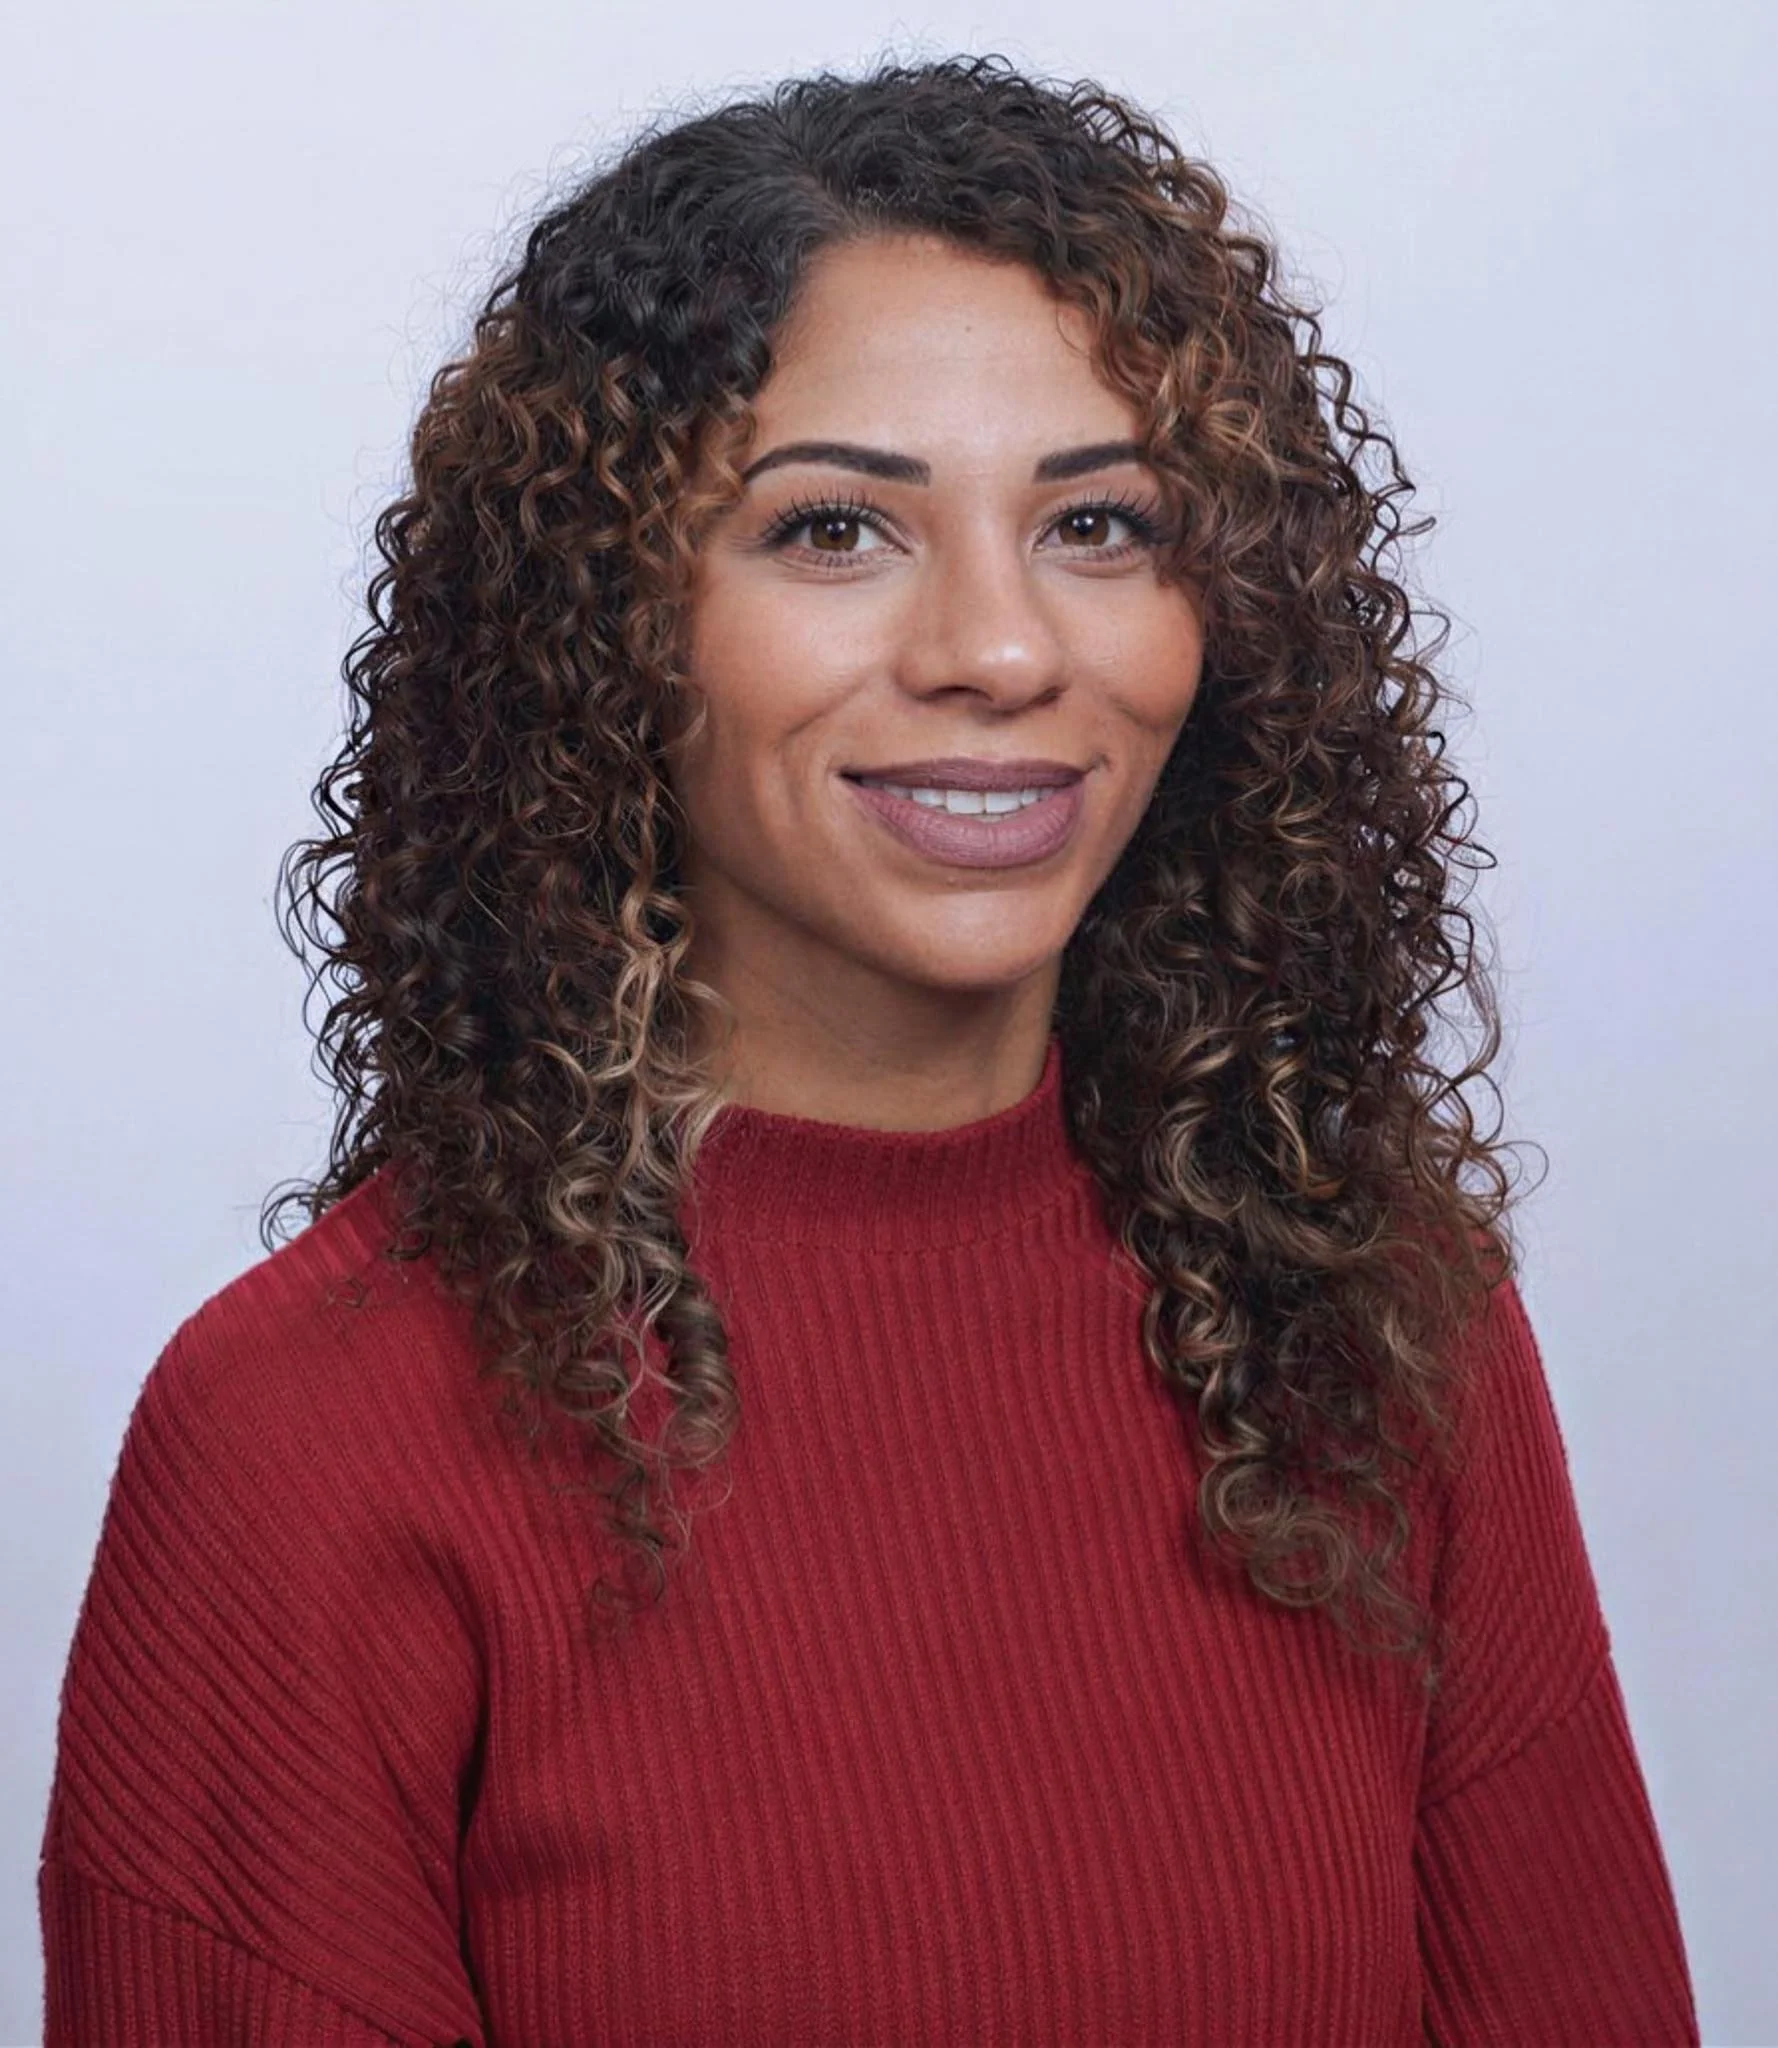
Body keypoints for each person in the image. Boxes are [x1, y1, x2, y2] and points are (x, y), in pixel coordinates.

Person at [38, 56, 1699, 2047]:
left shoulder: (1371, 1323)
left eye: (1098, 520)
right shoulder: (312, 1441)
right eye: (835, 531)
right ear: (608, 624)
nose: (1000, 648)